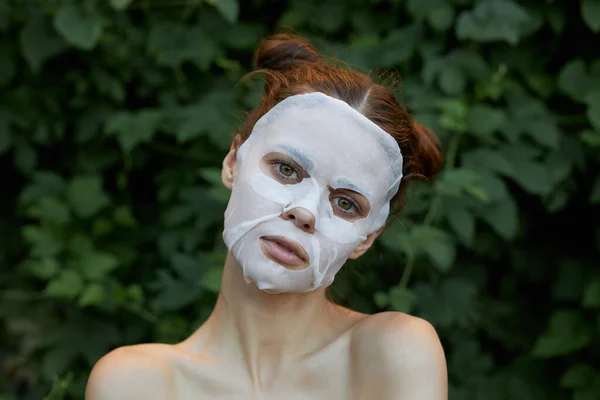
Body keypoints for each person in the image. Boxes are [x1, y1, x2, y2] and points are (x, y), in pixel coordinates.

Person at [86, 33, 447, 400]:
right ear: (233, 161)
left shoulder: (393, 353)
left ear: (367, 239)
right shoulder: (134, 384)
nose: (305, 212)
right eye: (286, 170)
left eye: (345, 203)